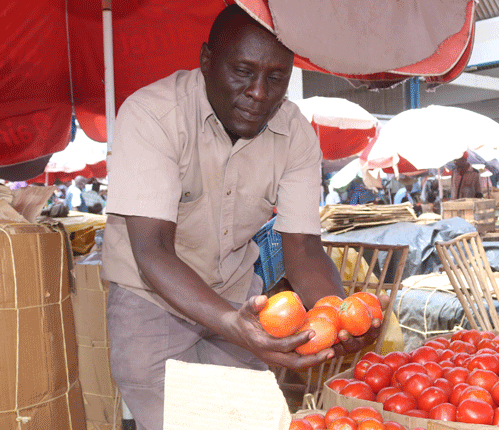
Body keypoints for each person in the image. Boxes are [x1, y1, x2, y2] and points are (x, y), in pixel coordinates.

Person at [100, 6, 387, 430]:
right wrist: (233, 324)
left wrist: (337, 314)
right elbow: (152, 249)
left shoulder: (296, 135)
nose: (258, 93)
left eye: (276, 78)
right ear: (206, 61)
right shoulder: (151, 116)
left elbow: (303, 248)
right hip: (151, 300)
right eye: (242, 71)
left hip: (240, 299)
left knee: (248, 421)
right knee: (176, 424)